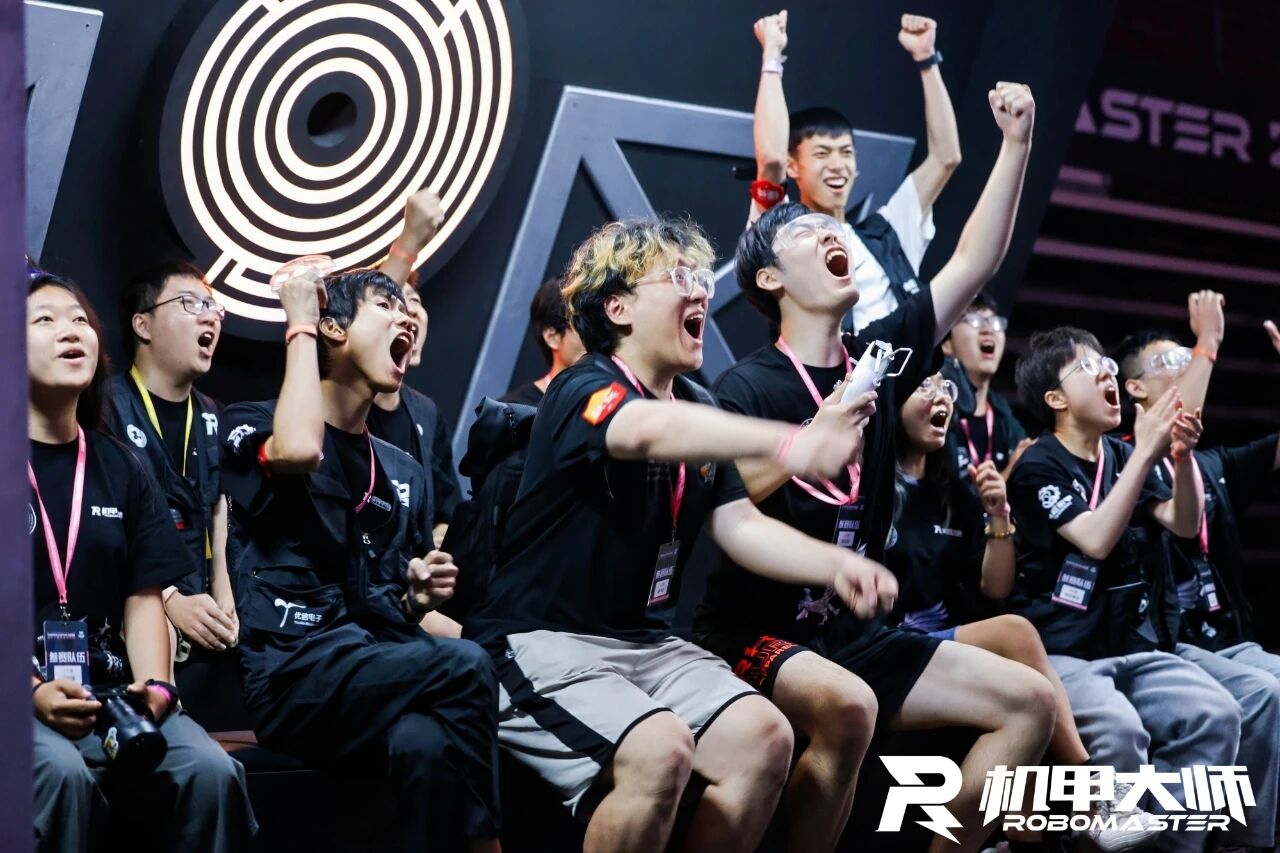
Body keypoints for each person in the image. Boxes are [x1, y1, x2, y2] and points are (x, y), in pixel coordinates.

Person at [465, 217, 902, 853]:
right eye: (676, 277)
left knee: (765, 738)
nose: (699, 290)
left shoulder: (696, 402)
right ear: (617, 307)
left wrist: (836, 565)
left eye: (700, 277)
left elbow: (740, 524)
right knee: (659, 751)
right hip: (542, 640)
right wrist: (792, 443)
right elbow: (641, 431)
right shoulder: (583, 385)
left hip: (646, 644)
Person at [696, 78, 1053, 853]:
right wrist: (808, 439)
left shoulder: (878, 360)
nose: (832, 233)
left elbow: (974, 261)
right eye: (803, 230)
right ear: (769, 279)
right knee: (850, 706)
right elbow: (721, 505)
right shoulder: (746, 387)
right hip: (753, 632)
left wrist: (1017, 144)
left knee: (1030, 704)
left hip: (853, 630)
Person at [220, 268, 501, 852]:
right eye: (385, 305)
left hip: (370, 662)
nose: (406, 317)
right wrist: (300, 322)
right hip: (292, 675)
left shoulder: (401, 469)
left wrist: (413, 600)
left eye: (406, 308)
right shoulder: (250, 422)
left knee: (427, 745)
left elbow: (380, 602)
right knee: (467, 664)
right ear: (334, 329)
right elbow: (299, 448)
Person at [28, 271, 255, 853]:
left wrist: (156, 688)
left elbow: (145, 595)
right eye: (44, 321)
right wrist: (30, 690)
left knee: (211, 771)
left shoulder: (121, 466)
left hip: (110, 691)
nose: (70, 331)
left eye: (80, 320)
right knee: (59, 773)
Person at [887, 370, 1159, 849]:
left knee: (1030, 698)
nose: (942, 397)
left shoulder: (953, 491)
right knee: (1015, 635)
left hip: (940, 645)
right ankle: (1094, 796)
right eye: (924, 387)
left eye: (946, 388)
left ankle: (1023, 836)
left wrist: (998, 517)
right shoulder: (871, 485)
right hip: (887, 644)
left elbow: (995, 587)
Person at [1009, 326, 1256, 853]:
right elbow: (1094, 540)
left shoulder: (1121, 457)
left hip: (1130, 646)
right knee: (1121, 730)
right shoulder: (1038, 465)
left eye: (1106, 364)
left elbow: (1183, 523)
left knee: (1216, 715)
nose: (1106, 374)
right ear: (1055, 400)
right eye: (1087, 367)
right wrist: (1146, 451)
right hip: (1062, 653)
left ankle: (1173, 847)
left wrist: (1181, 458)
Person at [1114, 318, 1280, 847]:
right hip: (1162, 642)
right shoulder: (1116, 462)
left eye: (1190, 360)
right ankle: (1233, 840)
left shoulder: (1214, 465)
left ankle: (1250, 837)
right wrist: (1208, 343)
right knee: (1263, 693)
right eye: (1171, 362)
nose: (1186, 368)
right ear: (1134, 387)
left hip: (1226, 638)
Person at [748, 10, 962, 334]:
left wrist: (926, 59)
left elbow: (946, 157)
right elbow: (771, 160)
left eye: (846, 152)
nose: (838, 164)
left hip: (907, 367)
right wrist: (772, 56)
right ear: (794, 165)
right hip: (825, 368)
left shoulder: (889, 232)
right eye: (822, 153)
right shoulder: (783, 235)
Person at [105, 262, 237, 661]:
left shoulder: (215, 415)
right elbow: (103, 525)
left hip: (205, 611)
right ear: (143, 325)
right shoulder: (104, 407)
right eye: (190, 303)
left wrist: (225, 593)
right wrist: (169, 598)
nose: (209, 317)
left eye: (213, 307)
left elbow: (219, 505)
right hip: (132, 608)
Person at [371, 187, 464, 548]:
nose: (409, 314)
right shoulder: (339, 402)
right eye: (393, 304)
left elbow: (446, 512)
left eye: (415, 302)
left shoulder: (426, 413)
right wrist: (409, 240)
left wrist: (438, 547)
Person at [941, 293, 1031, 481]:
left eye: (995, 323)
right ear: (946, 344)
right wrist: (1008, 475)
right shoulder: (938, 408)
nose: (988, 330)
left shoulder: (1004, 415)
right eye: (974, 321)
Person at [502, 276, 585, 406]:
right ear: (552, 337)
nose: (597, 335)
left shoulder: (608, 399)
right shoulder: (514, 411)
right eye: (583, 325)